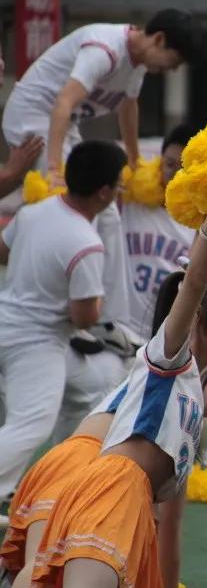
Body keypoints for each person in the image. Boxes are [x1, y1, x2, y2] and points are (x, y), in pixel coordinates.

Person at [26, 209, 207, 588]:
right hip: (116, 485)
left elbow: (171, 524)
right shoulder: (171, 357)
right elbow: (197, 283)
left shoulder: (190, 402)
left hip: (136, 505)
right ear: (200, 316)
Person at [2, 10, 206, 350]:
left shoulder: (135, 63)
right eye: (172, 61)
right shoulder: (104, 49)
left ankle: (109, 317)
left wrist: (135, 158)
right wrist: (54, 169)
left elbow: (128, 108)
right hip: (35, 120)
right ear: (158, 40)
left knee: (106, 211)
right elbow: (63, 102)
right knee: (87, 208)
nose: (169, 70)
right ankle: (101, 318)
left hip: (63, 129)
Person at [0, 358, 207, 588]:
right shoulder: (172, 371)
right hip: (84, 462)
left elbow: (167, 524)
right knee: (52, 572)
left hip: (101, 475)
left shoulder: (184, 414)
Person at [0, 141, 126, 524]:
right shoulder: (86, 243)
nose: (120, 190)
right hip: (36, 342)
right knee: (32, 422)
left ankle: (64, 479)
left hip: (10, 322)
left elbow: (4, 251)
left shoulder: (34, 212)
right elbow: (85, 315)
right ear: (103, 191)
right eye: (118, 183)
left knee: (95, 382)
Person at [122, 123, 207, 343]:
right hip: (122, 333)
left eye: (184, 167)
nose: (174, 172)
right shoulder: (130, 203)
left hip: (172, 341)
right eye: (168, 164)